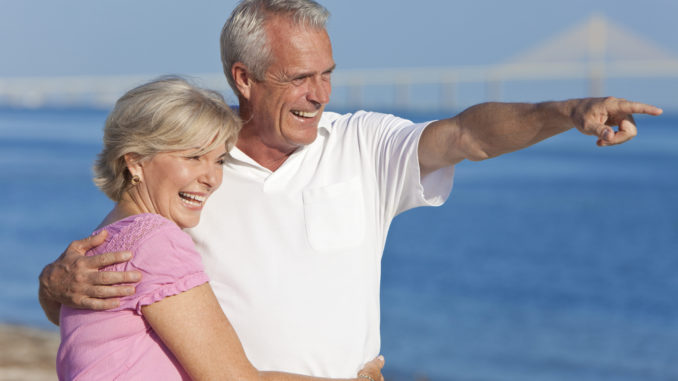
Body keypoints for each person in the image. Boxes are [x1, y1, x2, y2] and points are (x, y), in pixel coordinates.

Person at [39, 0, 664, 378]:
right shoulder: (195, 167)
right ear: (244, 78)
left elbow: (469, 135)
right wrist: (52, 284)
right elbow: (121, 282)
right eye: (301, 77)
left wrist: (567, 109)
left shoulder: (362, 145)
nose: (321, 95)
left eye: (329, 75)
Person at [54, 76, 385, 381]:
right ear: (135, 161)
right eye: (194, 157)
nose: (212, 178)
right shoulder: (154, 241)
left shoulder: (104, 239)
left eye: (219, 160)